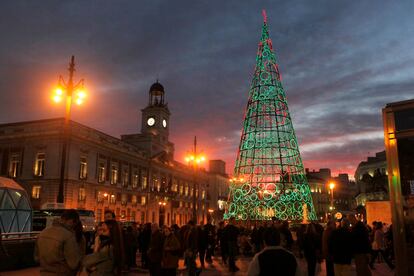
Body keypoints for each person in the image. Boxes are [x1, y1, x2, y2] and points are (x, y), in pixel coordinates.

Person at [34, 209, 84, 276]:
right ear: (72, 221)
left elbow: (36, 258)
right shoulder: (68, 236)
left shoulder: (43, 233)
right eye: (75, 224)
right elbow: (73, 264)